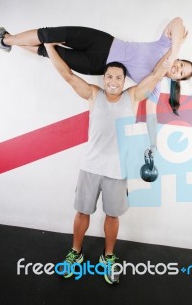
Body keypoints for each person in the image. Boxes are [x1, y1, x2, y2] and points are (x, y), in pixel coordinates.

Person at [41, 40, 170, 285]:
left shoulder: (133, 96)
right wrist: (48, 47)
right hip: (90, 166)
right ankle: (76, 253)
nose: (113, 81)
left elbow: (156, 74)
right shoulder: (93, 94)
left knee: (112, 215)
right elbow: (68, 75)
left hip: (117, 170)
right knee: (82, 212)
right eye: (109, 76)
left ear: (124, 81)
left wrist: (174, 50)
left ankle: (108, 256)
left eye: (118, 77)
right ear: (103, 79)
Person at [0, 18, 192, 157]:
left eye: (181, 73)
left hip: (98, 65)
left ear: (176, 80)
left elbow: (151, 117)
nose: (178, 67)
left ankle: (3, 39)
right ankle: (6, 40)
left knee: (49, 51)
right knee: (49, 34)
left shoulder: (155, 86)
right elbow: (177, 22)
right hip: (103, 42)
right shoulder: (165, 46)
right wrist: (175, 50)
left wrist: (153, 144)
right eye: (182, 64)